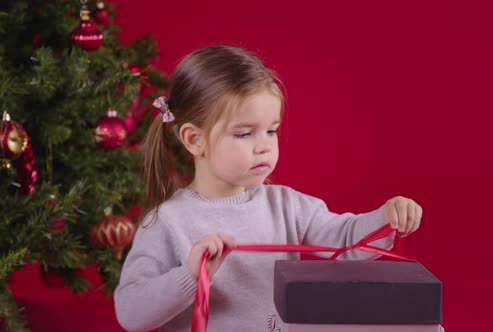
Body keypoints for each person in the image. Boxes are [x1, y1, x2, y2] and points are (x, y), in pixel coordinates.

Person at [114, 44, 423, 332]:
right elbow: (131, 313)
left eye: (272, 130)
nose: (264, 146)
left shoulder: (288, 206)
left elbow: (344, 240)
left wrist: (385, 218)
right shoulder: (167, 222)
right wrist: (189, 276)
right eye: (245, 133)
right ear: (195, 140)